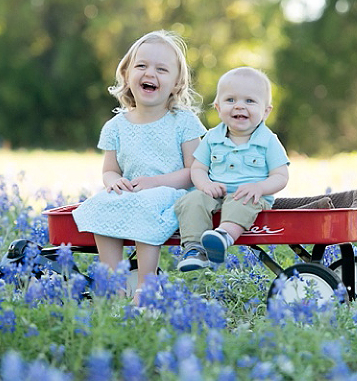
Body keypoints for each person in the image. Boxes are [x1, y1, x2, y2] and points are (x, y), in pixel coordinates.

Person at [71, 30, 204, 296]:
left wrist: (155, 183)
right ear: (126, 75)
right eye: (141, 66)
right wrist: (114, 182)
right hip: (132, 193)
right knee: (101, 204)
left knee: (147, 203)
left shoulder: (183, 121)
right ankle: (114, 284)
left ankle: (146, 286)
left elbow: (195, 172)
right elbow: (109, 170)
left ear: (177, 83)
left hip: (173, 195)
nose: (149, 73)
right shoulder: (116, 126)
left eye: (161, 69)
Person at [176, 67, 289, 272]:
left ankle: (223, 236)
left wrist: (259, 187)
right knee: (191, 200)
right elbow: (198, 168)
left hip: (250, 196)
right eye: (230, 100)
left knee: (242, 200)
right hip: (215, 195)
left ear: (266, 111)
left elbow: (281, 176)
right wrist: (205, 185)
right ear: (218, 107)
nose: (239, 106)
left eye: (249, 101)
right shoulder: (211, 137)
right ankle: (194, 249)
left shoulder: (268, 140)